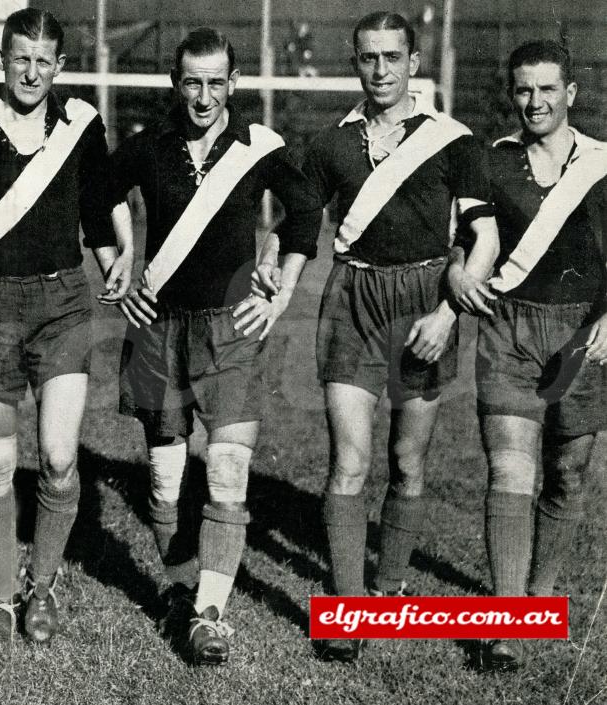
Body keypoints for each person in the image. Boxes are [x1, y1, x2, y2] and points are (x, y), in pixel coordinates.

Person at [252, 11, 497, 662]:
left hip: (424, 303)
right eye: (369, 58)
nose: (381, 69)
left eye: (393, 57)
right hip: (351, 300)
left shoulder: (454, 140)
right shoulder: (332, 144)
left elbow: (483, 241)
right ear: (354, 63)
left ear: (414, 63)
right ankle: (347, 607)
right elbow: (303, 220)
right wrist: (276, 254)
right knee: (350, 461)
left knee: (408, 461)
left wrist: (448, 313)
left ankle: (389, 586)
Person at [110, 28, 322, 664]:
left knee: (227, 472)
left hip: (231, 329)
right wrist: (121, 262)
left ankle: (209, 616)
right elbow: (100, 197)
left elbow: (305, 210)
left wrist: (279, 292)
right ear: (176, 85)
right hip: (159, 327)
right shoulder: (150, 146)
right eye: (191, 82)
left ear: (234, 83)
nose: (203, 96)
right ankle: (177, 591)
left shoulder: (259, 147)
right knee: (165, 481)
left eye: (215, 82)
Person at [0, 7, 133, 644]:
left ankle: (41, 583)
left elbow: (98, 208)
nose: (31, 72)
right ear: (1, 58)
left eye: (44, 61)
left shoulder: (80, 125)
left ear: (61, 67)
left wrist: (116, 260)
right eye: (21, 58)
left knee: (57, 455)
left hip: (62, 302)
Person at [447, 40, 607, 672]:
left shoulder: (602, 165)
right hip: (508, 330)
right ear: (510, 95)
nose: (534, 102)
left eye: (547, 89)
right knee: (510, 473)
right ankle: (507, 620)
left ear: (570, 93)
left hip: (580, 335)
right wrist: (458, 274)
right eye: (523, 90)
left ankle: (539, 594)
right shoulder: (488, 163)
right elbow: (461, 243)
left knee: (567, 472)